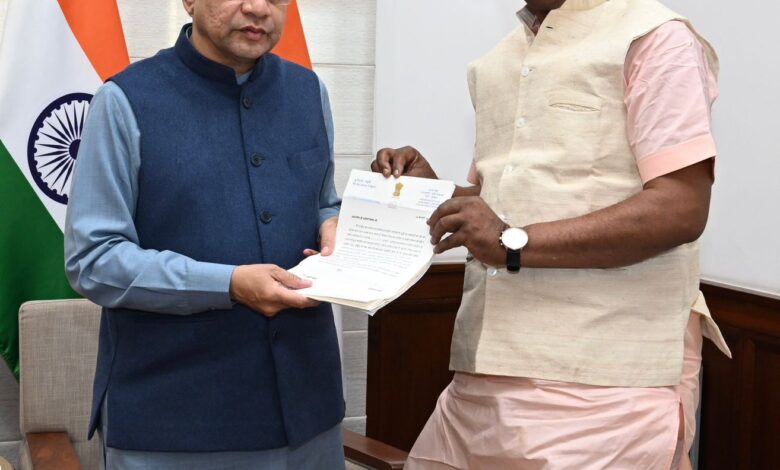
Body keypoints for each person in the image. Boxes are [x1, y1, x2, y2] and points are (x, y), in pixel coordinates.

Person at [372, 0, 731, 468]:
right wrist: (433, 193)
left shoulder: (654, 36)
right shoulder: (499, 59)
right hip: (481, 377)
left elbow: (680, 207)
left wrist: (510, 243)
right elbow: (503, 208)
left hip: (605, 389)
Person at [64, 0, 345, 468]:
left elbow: (322, 199)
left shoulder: (309, 90)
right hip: (174, 425)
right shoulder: (124, 100)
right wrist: (227, 284)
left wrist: (332, 222)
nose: (258, 8)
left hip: (310, 415)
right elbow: (93, 259)